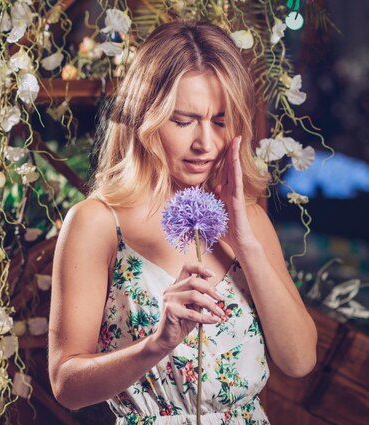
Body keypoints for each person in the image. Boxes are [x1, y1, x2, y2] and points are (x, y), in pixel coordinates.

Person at [48, 20, 318, 424]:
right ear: (146, 116)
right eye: (183, 120)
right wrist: (157, 344)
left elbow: (298, 362)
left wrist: (246, 244)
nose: (205, 143)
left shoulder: (249, 221)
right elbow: (66, 385)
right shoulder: (98, 222)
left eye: (220, 121)